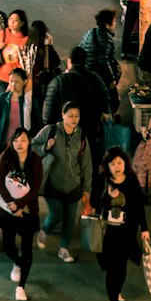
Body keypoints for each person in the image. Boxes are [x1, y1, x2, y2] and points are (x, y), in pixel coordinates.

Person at [33, 102, 92, 261]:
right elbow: (32, 146)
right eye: (70, 115)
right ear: (63, 115)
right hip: (52, 182)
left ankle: (64, 249)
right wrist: (45, 147)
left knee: (70, 219)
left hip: (74, 185)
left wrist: (87, 189)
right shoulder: (50, 131)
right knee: (56, 213)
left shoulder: (82, 137)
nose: (74, 119)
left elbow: (87, 165)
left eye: (77, 116)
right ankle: (44, 231)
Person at [95, 146, 150, 301]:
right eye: (113, 164)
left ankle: (116, 292)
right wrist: (108, 197)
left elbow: (139, 206)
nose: (117, 167)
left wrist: (144, 229)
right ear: (108, 166)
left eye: (120, 163)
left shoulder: (132, 180)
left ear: (125, 164)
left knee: (122, 266)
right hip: (110, 233)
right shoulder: (103, 180)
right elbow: (97, 204)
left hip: (128, 231)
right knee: (113, 267)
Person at [0, 124, 44, 301]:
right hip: (8, 210)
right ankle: (18, 262)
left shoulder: (35, 160)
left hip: (28, 211)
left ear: (29, 141)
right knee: (7, 246)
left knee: (27, 248)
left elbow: (36, 186)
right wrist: (12, 204)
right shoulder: (5, 157)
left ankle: (21, 286)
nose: (20, 144)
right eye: (16, 140)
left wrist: (21, 205)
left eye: (23, 140)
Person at [43, 47, 110, 159]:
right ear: (85, 61)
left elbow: (48, 117)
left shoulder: (59, 82)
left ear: (69, 61)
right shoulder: (96, 79)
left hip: (64, 139)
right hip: (91, 137)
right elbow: (106, 107)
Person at [0, 65, 35, 158]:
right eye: (11, 81)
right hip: (4, 147)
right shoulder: (2, 99)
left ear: (24, 82)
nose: (13, 84)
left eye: (16, 82)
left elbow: (37, 123)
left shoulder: (29, 101)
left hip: (23, 148)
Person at [81, 8, 122, 106]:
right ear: (107, 24)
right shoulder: (106, 39)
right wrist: (111, 80)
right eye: (114, 22)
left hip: (85, 74)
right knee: (113, 101)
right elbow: (104, 61)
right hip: (99, 77)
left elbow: (80, 50)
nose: (115, 25)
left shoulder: (90, 32)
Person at [23, 19, 61, 111]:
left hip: (27, 83)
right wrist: (49, 45)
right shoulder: (46, 48)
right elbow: (56, 62)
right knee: (38, 110)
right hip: (40, 84)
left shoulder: (26, 46)